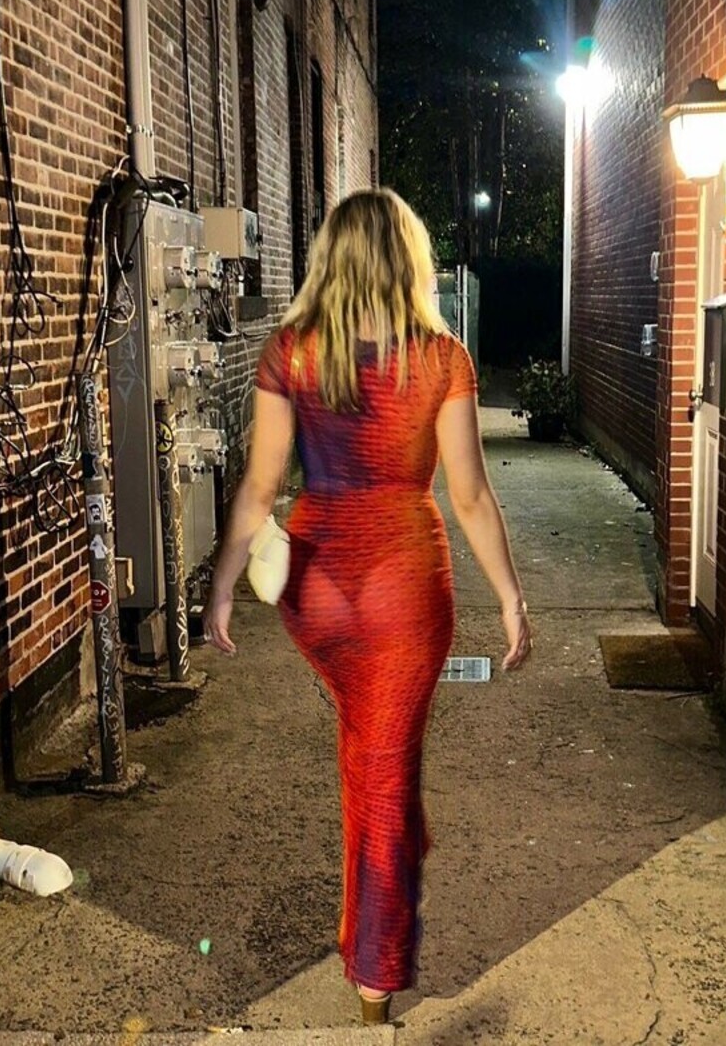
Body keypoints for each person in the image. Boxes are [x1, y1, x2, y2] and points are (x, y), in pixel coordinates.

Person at [203, 188, 531, 1025]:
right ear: (409, 260)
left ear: (330, 260)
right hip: (403, 593)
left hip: (317, 591)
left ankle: (381, 880)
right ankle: (376, 977)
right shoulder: (442, 359)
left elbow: (261, 487)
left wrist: (223, 584)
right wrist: (510, 597)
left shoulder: (291, 352)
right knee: (385, 772)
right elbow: (469, 496)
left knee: (369, 749)